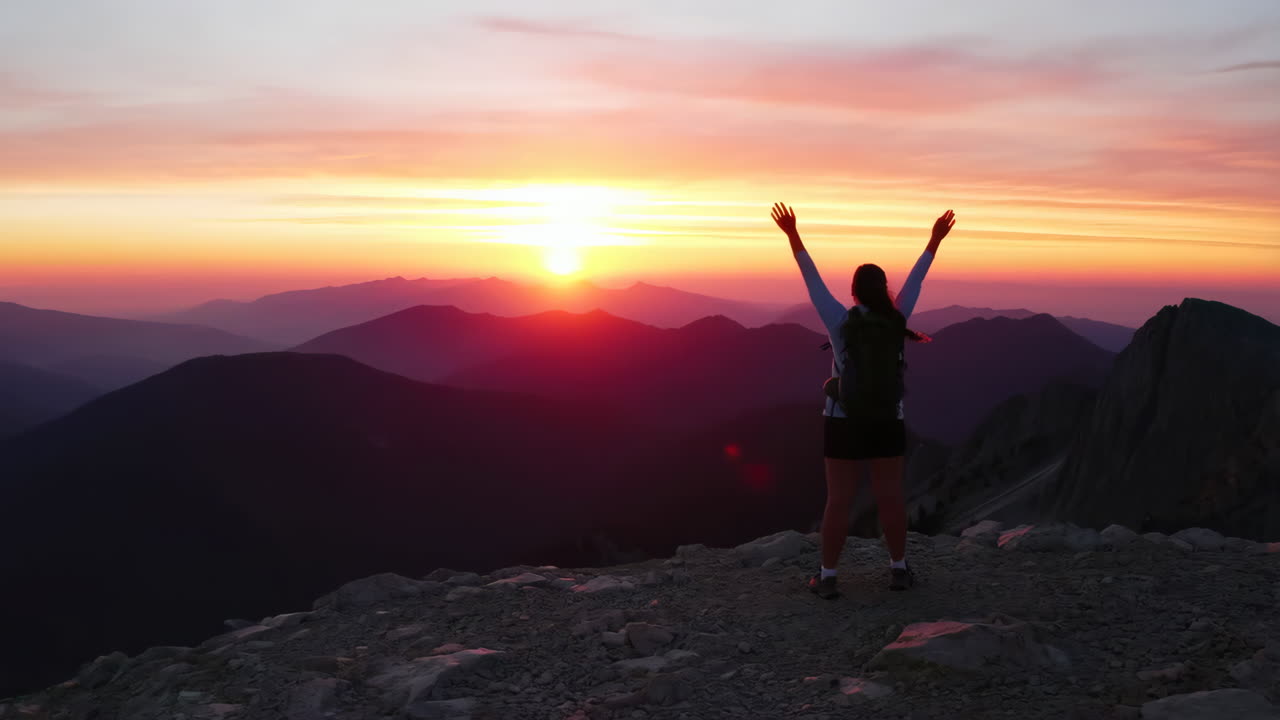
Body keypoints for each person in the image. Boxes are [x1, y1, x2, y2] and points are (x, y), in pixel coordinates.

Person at [770, 203, 955, 599]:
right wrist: (934, 240)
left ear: (854, 291)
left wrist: (793, 235)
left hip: (843, 421)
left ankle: (829, 576)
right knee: (890, 496)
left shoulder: (839, 321)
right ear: (885, 288)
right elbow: (918, 278)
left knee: (838, 499)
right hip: (889, 419)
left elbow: (812, 281)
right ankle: (899, 570)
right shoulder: (897, 316)